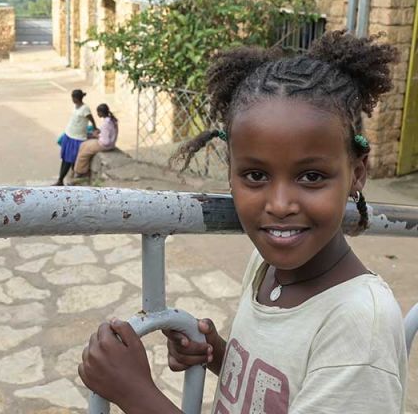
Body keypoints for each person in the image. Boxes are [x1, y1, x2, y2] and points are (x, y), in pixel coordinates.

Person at [78, 31, 407, 413]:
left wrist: (136, 394)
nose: (280, 204)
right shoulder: (267, 265)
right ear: (230, 172)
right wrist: (221, 356)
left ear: (357, 173)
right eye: (255, 176)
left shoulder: (359, 326)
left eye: (312, 177)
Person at [53, 89, 97, 186]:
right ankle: (63, 179)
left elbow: (91, 119)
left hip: (77, 138)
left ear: (76, 98)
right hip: (69, 135)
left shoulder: (85, 108)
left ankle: (62, 180)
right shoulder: (76, 106)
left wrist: (94, 128)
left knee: (70, 161)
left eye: (73, 97)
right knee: (66, 159)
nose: (72, 99)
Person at [74, 103, 118, 178]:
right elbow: (107, 133)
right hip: (109, 143)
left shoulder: (106, 124)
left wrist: (96, 136)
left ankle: (80, 171)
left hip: (105, 145)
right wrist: (99, 132)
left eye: (98, 112)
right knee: (83, 145)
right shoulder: (110, 120)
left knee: (84, 151)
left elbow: (105, 141)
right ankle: (83, 168)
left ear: (101, 112)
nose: (97, 114)